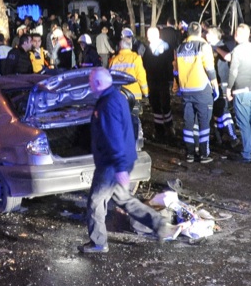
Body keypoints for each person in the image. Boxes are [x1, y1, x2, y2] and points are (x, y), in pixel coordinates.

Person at [79, 67, 165, 254]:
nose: (89, 86)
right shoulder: (117, 97)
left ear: (99, 83)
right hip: (120, 160)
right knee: (124, 199)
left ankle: (98, 243)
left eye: (91, 82)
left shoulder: (107, 104)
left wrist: (120, 168)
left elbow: (114, 136)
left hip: (111, 164)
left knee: (95, 202)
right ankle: (160, 225)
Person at [174, 22, 219, 163]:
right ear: (200, 32)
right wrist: (215, 85)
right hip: (202, 90)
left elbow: (176, 71)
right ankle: (204, 154)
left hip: (186, 90)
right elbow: (209, 68)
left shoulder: (180, 47)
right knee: (204, 122)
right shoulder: (203, 46)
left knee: (189, 123)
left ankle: (190, 153)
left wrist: (178, 86)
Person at [225, 24, 251, 162]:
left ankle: (247, 153)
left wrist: (228, 89)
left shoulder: (237, 50)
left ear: (238, 35)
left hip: (242, 91)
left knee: (244, 123)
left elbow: (233, 71)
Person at [142, 26, 176, 142]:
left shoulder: (161, 47)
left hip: (160, 80)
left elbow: (168, 64)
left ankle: (167, 128)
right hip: (156, 80)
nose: (147, 38)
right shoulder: (154, 48)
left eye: (149, 35)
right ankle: (161, 129)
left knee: (163, 104)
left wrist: (171, 79)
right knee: (157, 104)